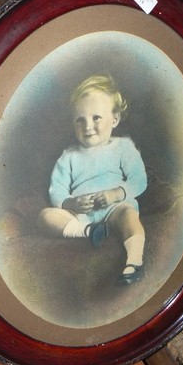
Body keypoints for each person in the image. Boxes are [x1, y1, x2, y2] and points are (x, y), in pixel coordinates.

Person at [37, 75, 148, 285]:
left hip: (114, 207)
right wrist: (71, 203)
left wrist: (116, 193)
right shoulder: (68, 156)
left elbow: (139, 180)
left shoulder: (123, 147)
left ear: (114, 119)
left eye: (96, 117)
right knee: (45, 217)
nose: (88, 126)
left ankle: (134, 263)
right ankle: (88, 232)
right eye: (80, 119)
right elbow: (57, 190)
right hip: (81, 216)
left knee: (128, 214)